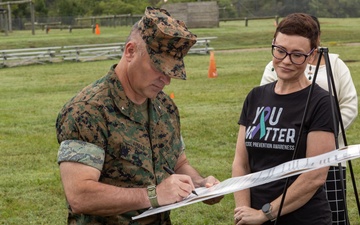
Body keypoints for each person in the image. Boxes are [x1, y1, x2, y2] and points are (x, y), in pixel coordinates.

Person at [55, 6, 222, 225]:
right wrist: (152, 196)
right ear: (130, 51)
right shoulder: (88, 110)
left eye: (171, 70)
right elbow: (79, 195)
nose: (166, 79)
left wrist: (201, 185)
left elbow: (179, 163)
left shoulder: (165, 107)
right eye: (158, 67)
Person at [232, 13, 338, 224]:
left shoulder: (321, 103)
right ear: (273, 45)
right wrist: (243, 210)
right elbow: (241, 163)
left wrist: (265, 214)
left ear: (311, 55)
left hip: (304, 218)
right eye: (280, 51)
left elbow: (315, 175)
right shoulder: (256, 96)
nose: (286, 61)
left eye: (297, 54)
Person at [260, 15, 358, 225]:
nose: (288, 58)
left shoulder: (335, 64)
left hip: (329, 155)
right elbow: (269, 107)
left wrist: (321, 138)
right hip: (284, 157)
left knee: (331, 214)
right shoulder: (275, 65)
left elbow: (349, 105)